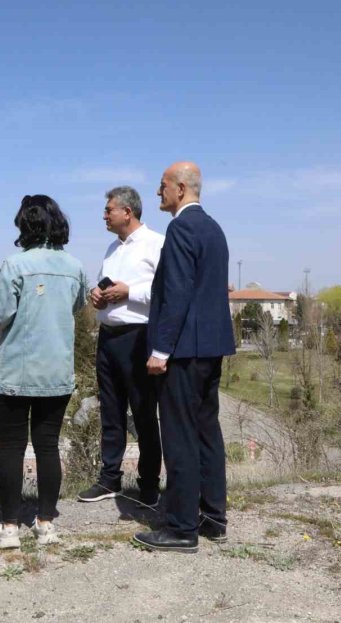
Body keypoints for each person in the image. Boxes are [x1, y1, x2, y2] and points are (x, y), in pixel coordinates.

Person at [133, 162, 235, 553]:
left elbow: (176, 292)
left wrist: (160, 350)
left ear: (179, 188)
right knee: (207, 431)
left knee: (179, 437)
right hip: (211, 347)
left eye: (161, 186)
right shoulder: (213, 228)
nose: (157, 193)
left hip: (184, 351)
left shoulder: (180, 228)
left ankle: (180, 527)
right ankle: (213, 516)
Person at [0, 194, 88, 549]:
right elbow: (75, 307)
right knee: (48, 448)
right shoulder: (74, 266)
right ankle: (46, 523)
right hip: (56, 369)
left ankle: (10, 526)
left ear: (23, 226)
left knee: (11, 447)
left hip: (16, 369)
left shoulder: (13, 265)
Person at [77, 186, 164, 506]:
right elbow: (104, 286)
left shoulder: (157, 244)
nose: (104, 215)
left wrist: (131, 291)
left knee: (143, 414)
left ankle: (149, 485)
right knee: (110, 412)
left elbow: (167, 292)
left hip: (139, 337)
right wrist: (95, 295)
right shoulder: (112, 248)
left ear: (128, 212)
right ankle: (109, 479)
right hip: (108, 337)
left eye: (108, 210)